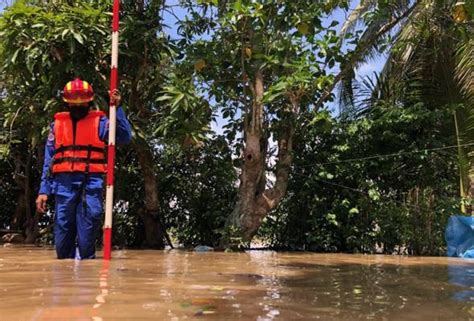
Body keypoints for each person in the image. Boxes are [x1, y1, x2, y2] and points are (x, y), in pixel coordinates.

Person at [35, 78, 132, 259]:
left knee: (87, 235)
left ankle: (87, 277)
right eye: (74, 105)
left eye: (82, 104)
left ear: (89, 102)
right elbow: (49, 162)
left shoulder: (100, 122)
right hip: (63, 185)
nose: (78, 108)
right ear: (67, 104)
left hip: (90, 183)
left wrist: (117, 109)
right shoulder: (57, 125)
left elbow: (125, 137)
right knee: (62, 241)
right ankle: (66, 280)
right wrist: (43, 191)